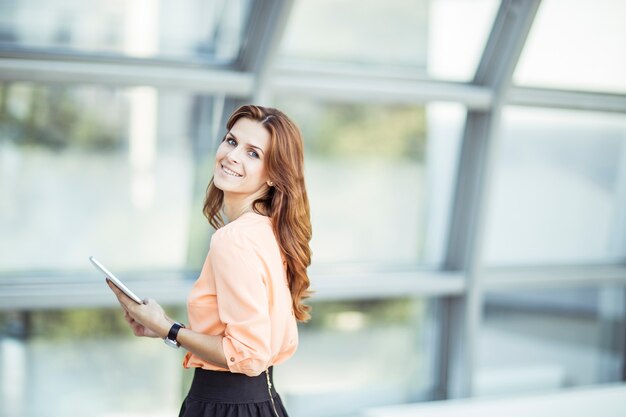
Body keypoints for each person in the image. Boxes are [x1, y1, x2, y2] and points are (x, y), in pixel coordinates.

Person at [106, 104, 312, 417]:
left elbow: (247, 353)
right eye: (231, 141)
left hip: (226, 406)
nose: (232, 156)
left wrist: (168, 329)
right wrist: (166, 329)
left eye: (253, 153)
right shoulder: (268, 229)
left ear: (273, 175)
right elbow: (247, 341)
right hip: (261, 401)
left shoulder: (234, 240)